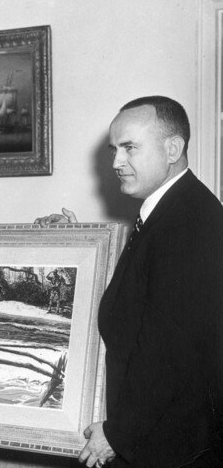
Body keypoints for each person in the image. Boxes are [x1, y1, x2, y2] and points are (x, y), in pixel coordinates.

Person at [36, 96, 223, 467]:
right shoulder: (172, 210)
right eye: (114, 149)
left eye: (130, 148)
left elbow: (169, 350)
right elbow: (141, 296)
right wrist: (80, 249)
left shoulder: (189, 222)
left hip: (168, 448)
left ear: (173, 148)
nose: (116, 162)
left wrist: (119, 433)